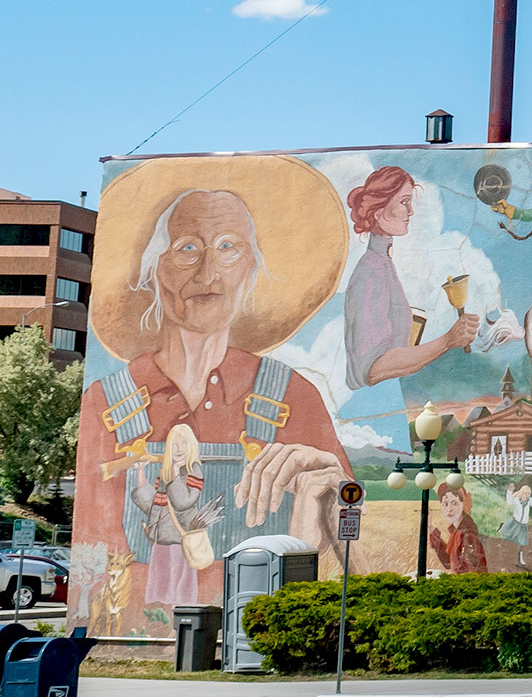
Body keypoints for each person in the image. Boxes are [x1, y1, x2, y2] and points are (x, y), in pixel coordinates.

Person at [77, 184, 351, 624]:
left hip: (266, 631)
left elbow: (352, 556)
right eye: (187, 249)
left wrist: (333, 494)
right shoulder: (105, 404)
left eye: (228, 248)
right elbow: (92, 559)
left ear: (250, 269)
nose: (208, 273)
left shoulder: (295, 397)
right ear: (153, 270)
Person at [342, 166, 479, 395]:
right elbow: (374, 368)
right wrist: (447, 340)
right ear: (379, 212)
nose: (411, 211)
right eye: (404, 202)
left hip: (389, 400)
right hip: (375, 405)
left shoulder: (383, 265)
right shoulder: (370, 273)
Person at [136, 423, 222, 606]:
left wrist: (175, 475)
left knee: (180, 588)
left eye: (184, 443)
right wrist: (140, 472)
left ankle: (180, 623)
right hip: (162, 541)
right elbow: (155, 505)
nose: (179, 449)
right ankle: (161, 624)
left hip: (181, 540)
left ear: (191, 446)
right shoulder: (166, 472)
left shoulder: (193, 470)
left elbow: (183, 503)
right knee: (161, 588)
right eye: (175, 444)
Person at [428, 483, 486, 574]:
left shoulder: (467, 534)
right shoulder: (457, 531)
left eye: (454, 503)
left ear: (463, 504)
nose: (449, 509)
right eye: (445, 504)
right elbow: (448, 561)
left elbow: (473, 572)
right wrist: (430, 526)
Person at [499, 481, 532, 567]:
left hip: (523, 525)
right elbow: (509, 502)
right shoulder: (516, 500)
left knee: (521, 542)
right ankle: (503, 530)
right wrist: (509, 492)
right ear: (521, 493)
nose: (527, 495)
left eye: (529, 494)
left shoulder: (529, 501)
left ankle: (520, 558)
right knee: (508, 535)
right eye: (525, 493)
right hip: (515, 522)